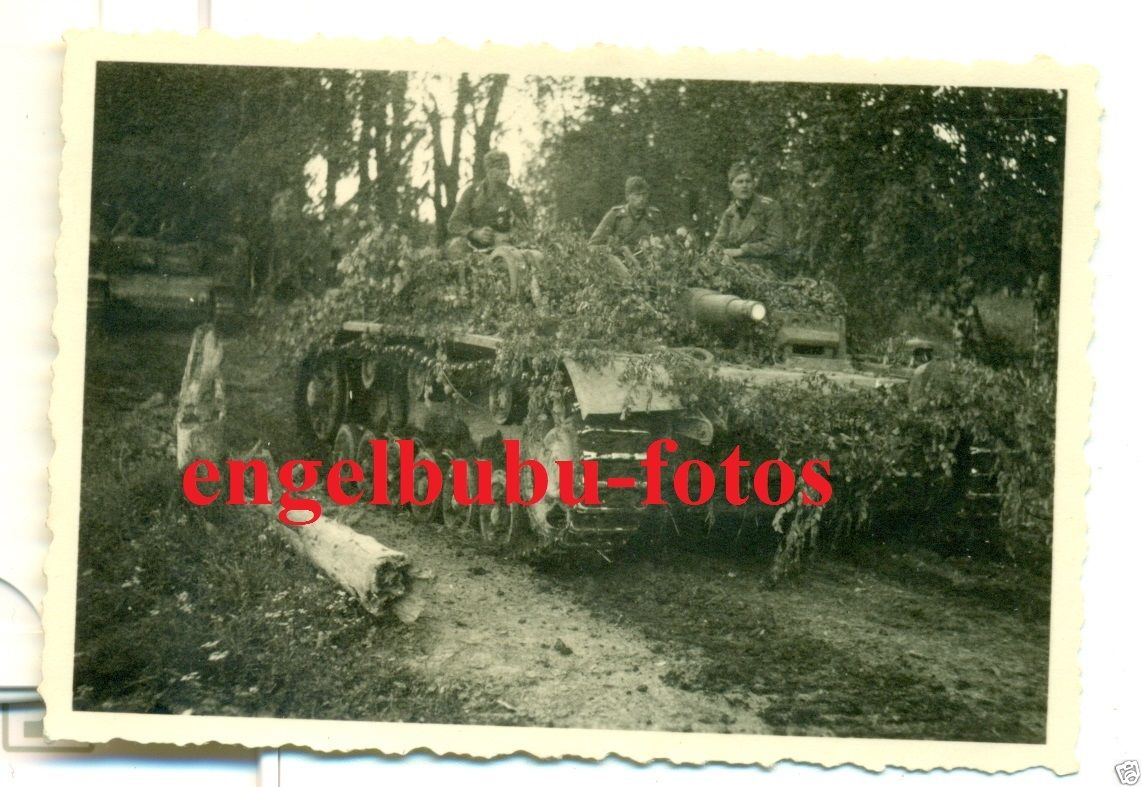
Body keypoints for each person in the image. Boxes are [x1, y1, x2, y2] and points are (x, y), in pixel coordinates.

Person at [445, 150, 538, 299]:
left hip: (505, 248)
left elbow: (526, 227)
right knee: (455, 246)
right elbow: (453, 224)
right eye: (502, 169)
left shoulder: (512, 195)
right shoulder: (472, 192)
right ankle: (463, 293)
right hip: (475, 249)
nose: (507, 172)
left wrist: (508, 236)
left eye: (508, 168)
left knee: (526, 259)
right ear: (489, 170)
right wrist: (474, 233)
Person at [710, 161, 788, 270]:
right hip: (736, 267)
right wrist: (714, 251)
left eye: (748, 181)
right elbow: (719, 241)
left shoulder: (769, 207)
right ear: (730, 187)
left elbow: (776, 244)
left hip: (767, 268)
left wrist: (741, 251)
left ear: (754, 184)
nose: (744, 186)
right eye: (739, 182)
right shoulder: (730, 214)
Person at [588, 176, 664, 251]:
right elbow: (592, 245)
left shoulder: (654, 216)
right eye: (637, 195)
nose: (641, 199)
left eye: (644, 194)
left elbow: (661, 243)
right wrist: (612, 249)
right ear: (627, 196)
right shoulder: (615, 215)